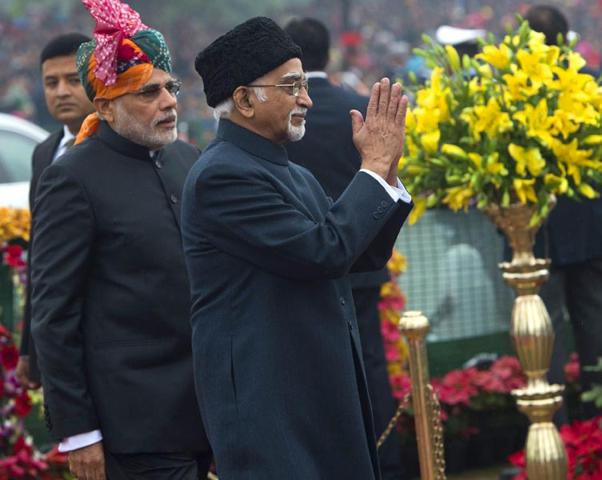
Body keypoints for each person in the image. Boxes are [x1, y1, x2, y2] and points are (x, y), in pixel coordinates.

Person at [182, 16, 412, 480]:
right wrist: (370, 168)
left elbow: (356, 254)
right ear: (244, 99)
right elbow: (322, 251)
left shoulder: (292, 172)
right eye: (292, 86)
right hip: (269, 403)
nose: (306, 98)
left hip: (313, 389)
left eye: (304, 84)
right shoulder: (220, 176)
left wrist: (384, 177)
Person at [30, 1, 210, 479]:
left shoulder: (186, 160)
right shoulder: (71, 177)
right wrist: (78, 430)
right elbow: (53, 313)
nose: (169, 101)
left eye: (170, 88)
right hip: (133, 429)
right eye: (148, 93)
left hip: (210, 415)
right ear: (105, 106)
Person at [283, 17, 407, 480]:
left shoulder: (283, 119)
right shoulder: (361, 109)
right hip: (363, 261)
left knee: (313, 366)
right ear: (329, 53)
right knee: (369, 361)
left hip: (300, 264)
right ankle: (385, 461)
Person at [525, 4, 602, 423]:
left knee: (543, 345)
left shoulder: (518, 89)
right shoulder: (596, 83)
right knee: (598, 339)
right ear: (566, 38)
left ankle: (553, 436)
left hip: (538, 236)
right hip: (596, 231)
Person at [15, 32, 95, 391]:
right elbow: (40, 255)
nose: (61, 91)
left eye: (73, 80)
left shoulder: (124, 147)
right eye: (51, 82)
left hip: (111, 333)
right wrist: (29, 348)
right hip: (59, 329)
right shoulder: (44, 153)